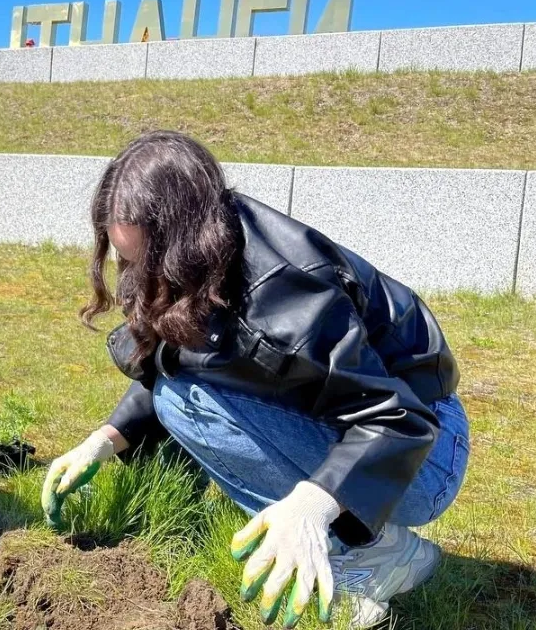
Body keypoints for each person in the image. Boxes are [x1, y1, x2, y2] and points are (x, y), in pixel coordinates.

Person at [41, 131, 469, 628]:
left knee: (187, 403)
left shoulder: (288, 292)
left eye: (146, 259)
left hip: (425, 451)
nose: (137, 273)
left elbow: (398, 420)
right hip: (348, 427)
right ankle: (361, 538)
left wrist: (310, 507)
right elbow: (173, 361)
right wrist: (104, 439)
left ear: (182, 238)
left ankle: (375, 554)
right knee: (178, 396)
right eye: (128, 259)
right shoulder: (206, 257)